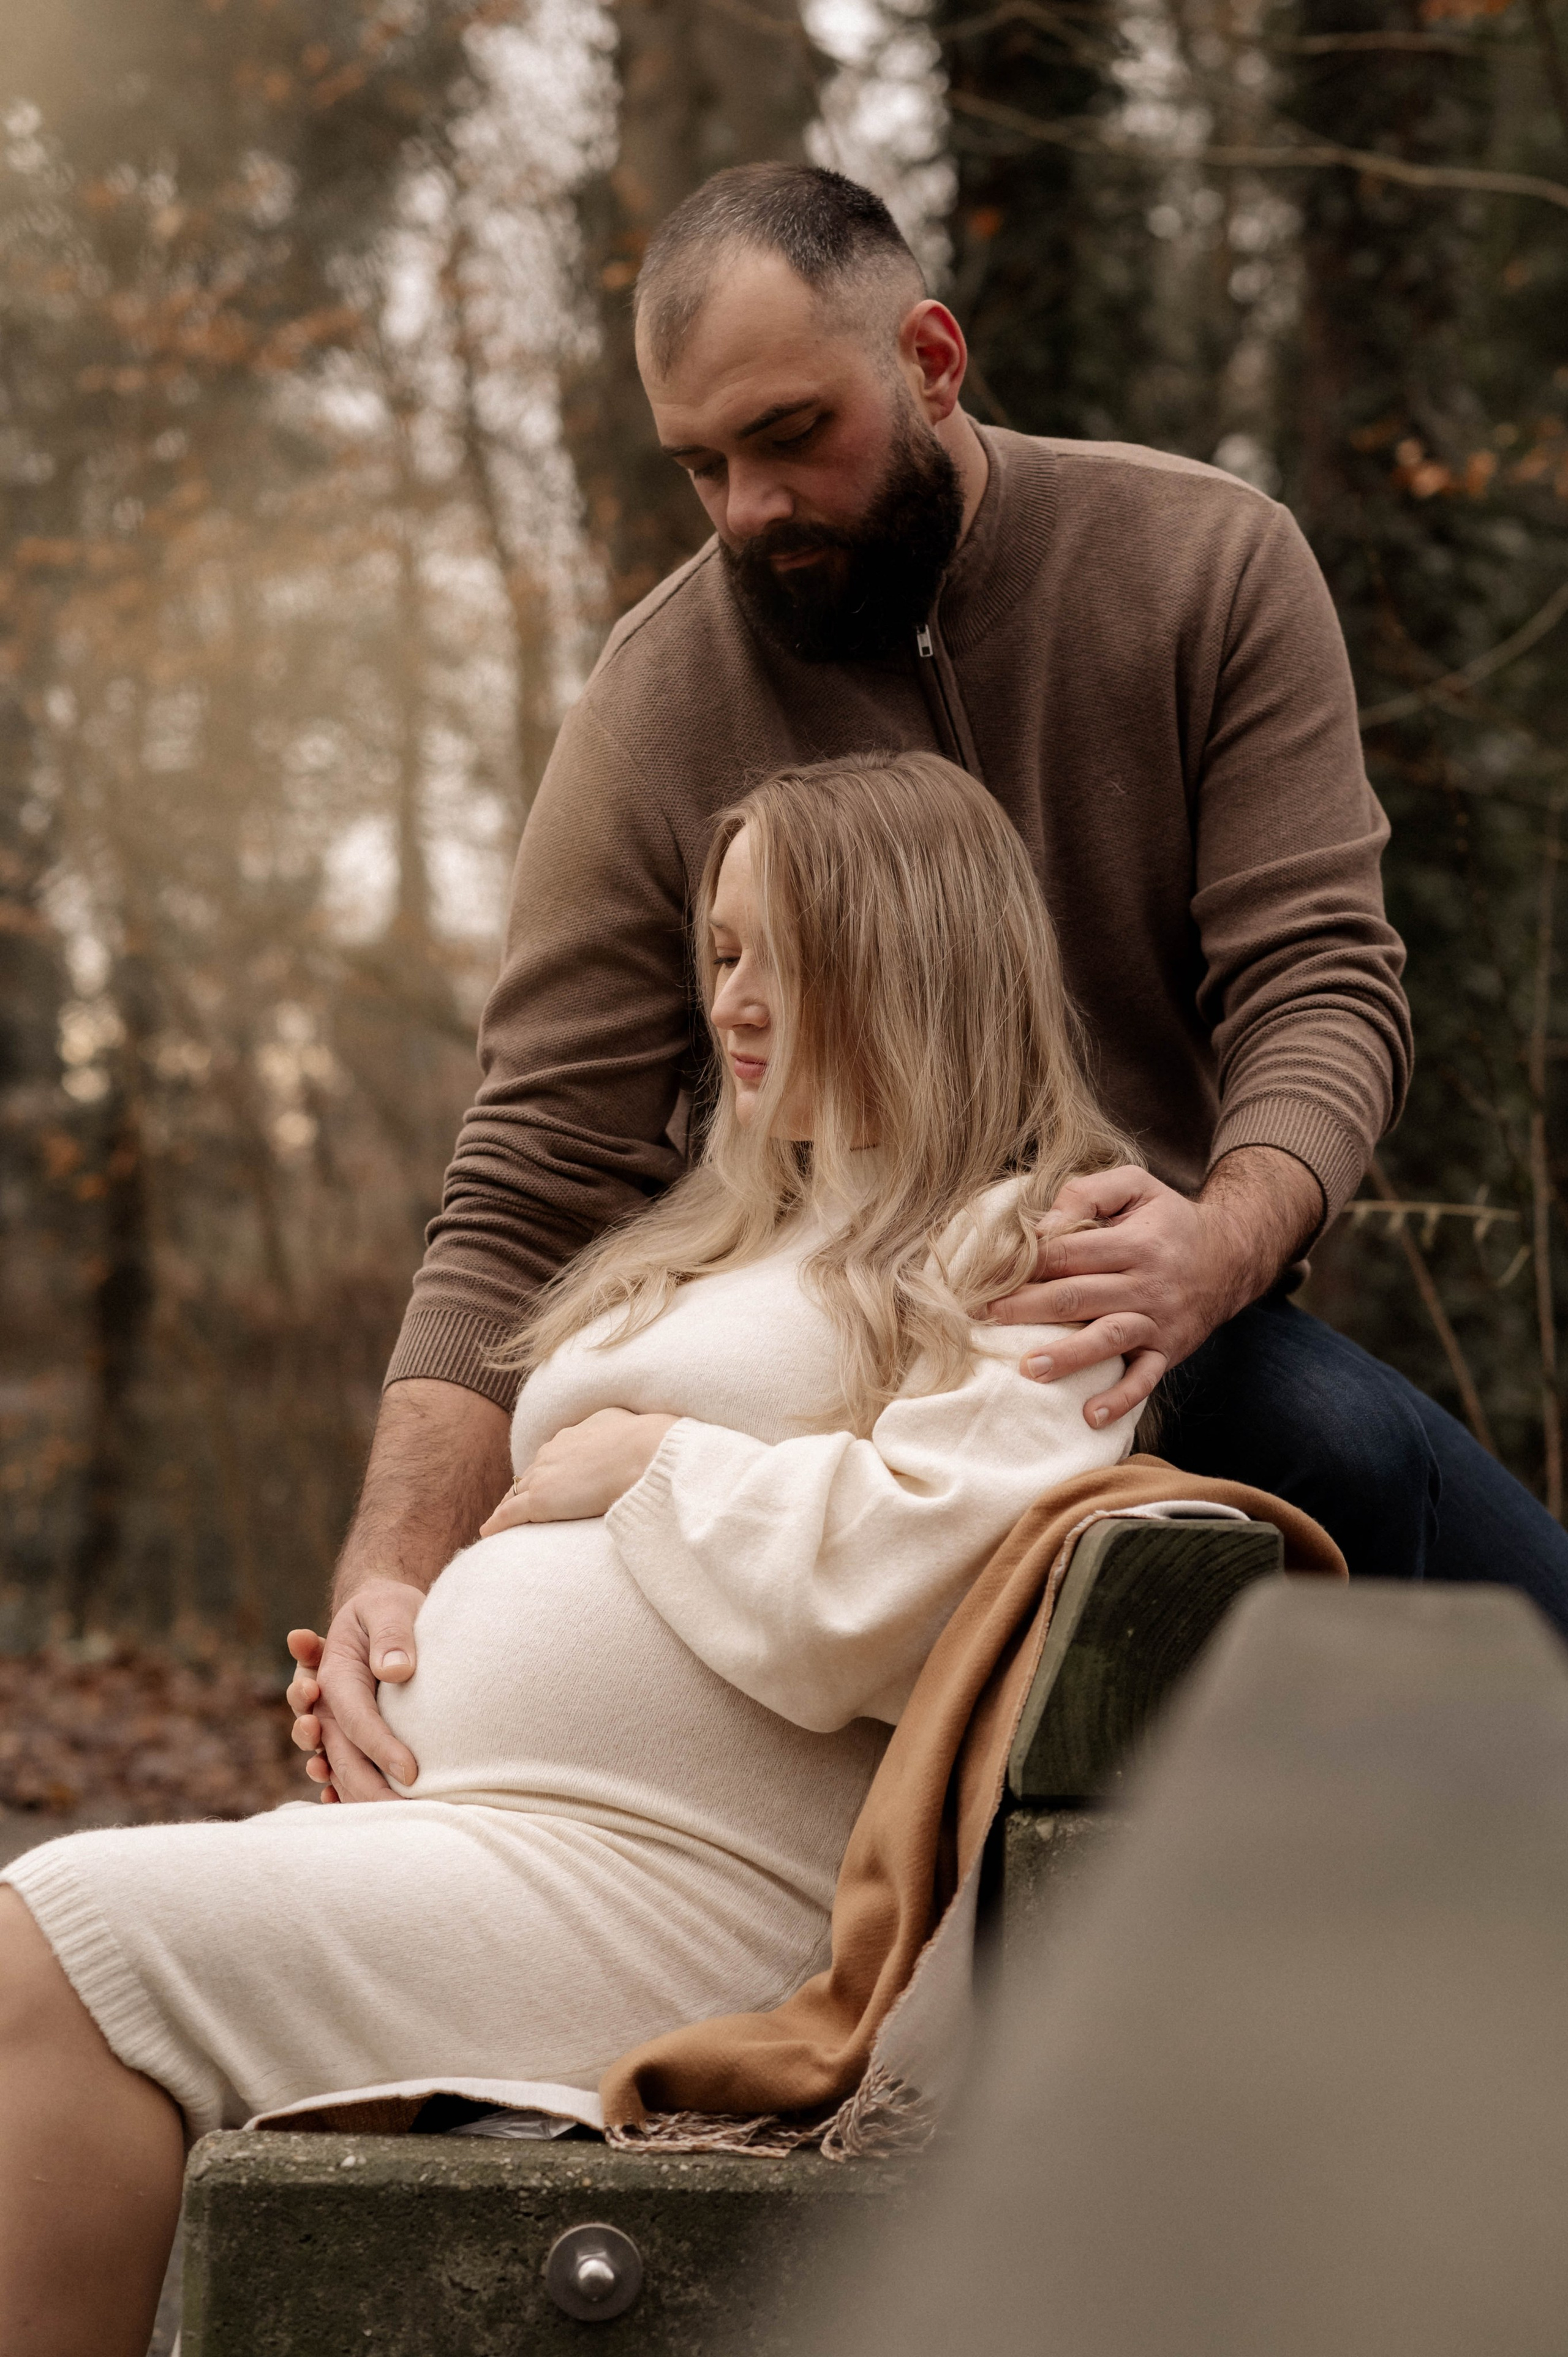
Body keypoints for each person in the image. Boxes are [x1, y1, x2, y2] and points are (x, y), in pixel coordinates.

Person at [302, 160, 1568, 1814]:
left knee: (1352, 1454)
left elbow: (1322, 982)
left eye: (788, 433)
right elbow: (530, 1171)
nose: (749, 506)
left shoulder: (1202, 563)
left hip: (1120, 1310)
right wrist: (384, 1582)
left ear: (932, 359)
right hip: (825, 1336)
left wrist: (1219, 1239)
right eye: (702, 465)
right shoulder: (651, 707)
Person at [0, 753, 1146, 2357]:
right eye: (720, 953)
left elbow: (930, 1580)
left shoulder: (1034, 1238)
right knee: (52, 1962)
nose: (732, 1001)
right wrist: (406, 1661)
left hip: (689, 1908)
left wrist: (648, 1464)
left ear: (908, 949)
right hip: (503, 1851)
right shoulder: (732, 1233)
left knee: (65, 1930)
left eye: (779, 953)